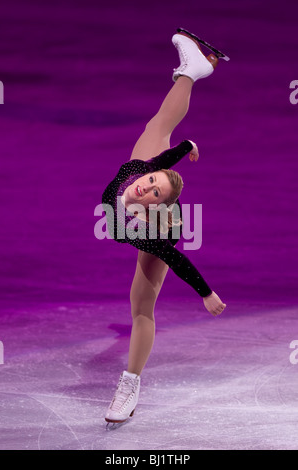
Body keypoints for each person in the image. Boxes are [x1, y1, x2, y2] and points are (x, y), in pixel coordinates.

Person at [102, 29, 227, 425]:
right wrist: (186, 146)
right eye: (152, 180)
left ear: (156, 203)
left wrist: (206, 293)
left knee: (140, 306)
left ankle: (130, 384)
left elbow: (173, 255)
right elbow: (164, 156)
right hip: (148, 197)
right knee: (160, 124)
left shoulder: (151, 227)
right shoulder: (137, 170)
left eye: (154, 189)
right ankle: (192, 70)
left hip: (161, 231)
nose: (147, 185)